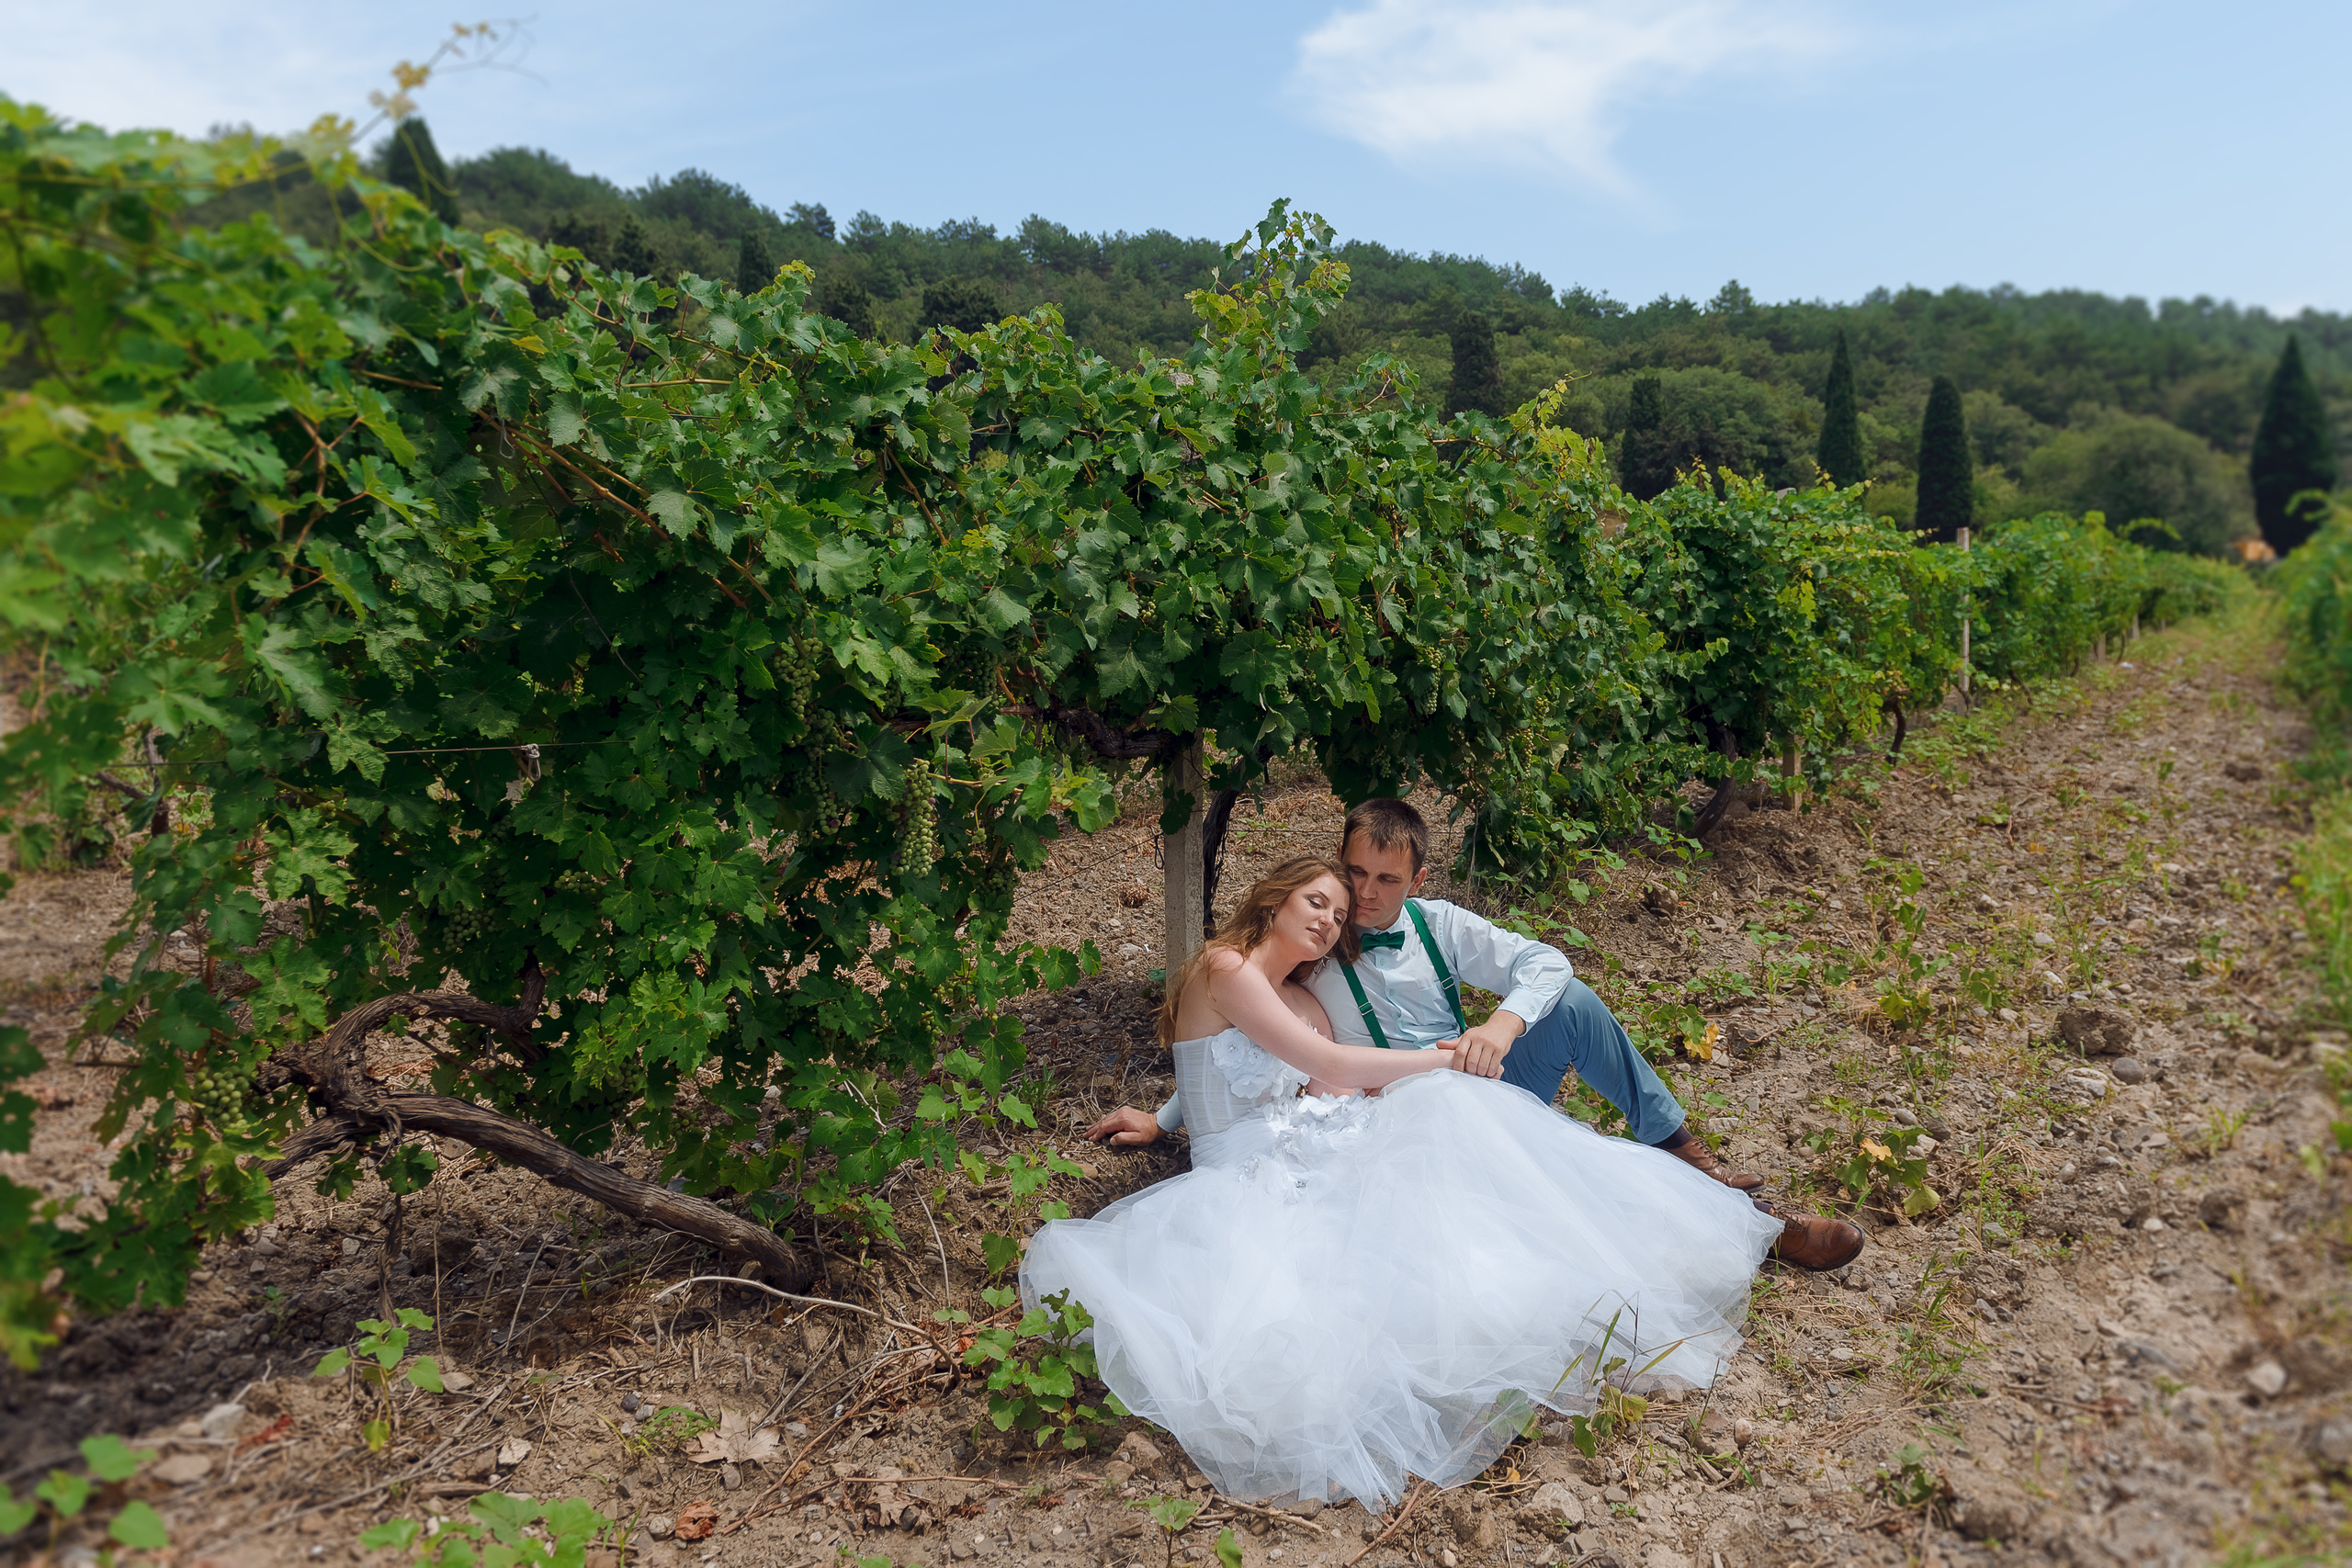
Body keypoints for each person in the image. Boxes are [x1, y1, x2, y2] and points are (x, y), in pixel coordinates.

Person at [1023, 857, 1785, 1506]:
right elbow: (1317, 1066)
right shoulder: (1223, 967)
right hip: (1242, 1177)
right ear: (1272, 900)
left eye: (1340, 910)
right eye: (1316, 900)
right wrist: (1441, 1057)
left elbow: (1267, 1070)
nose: (1329, 918)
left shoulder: (1305, 995)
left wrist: (1172, 1115)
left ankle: (1645, 1219)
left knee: (1444, 1178)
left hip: (1305, 1146)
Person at [1088, 797, 1864, 1271]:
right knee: (1562, 1191)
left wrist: (1498, 1022)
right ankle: (1745, 1231)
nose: (1359, 897)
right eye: (1352, 875)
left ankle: (1701, 1168)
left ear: (1417, 880)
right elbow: (1252, 1053)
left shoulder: (1438, 925)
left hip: (1475, 1077)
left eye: (1385, 880)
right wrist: (1166, 1118)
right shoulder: (1302, 965)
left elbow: (1544, 960)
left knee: (1574, 1001)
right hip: (1400, 1106)